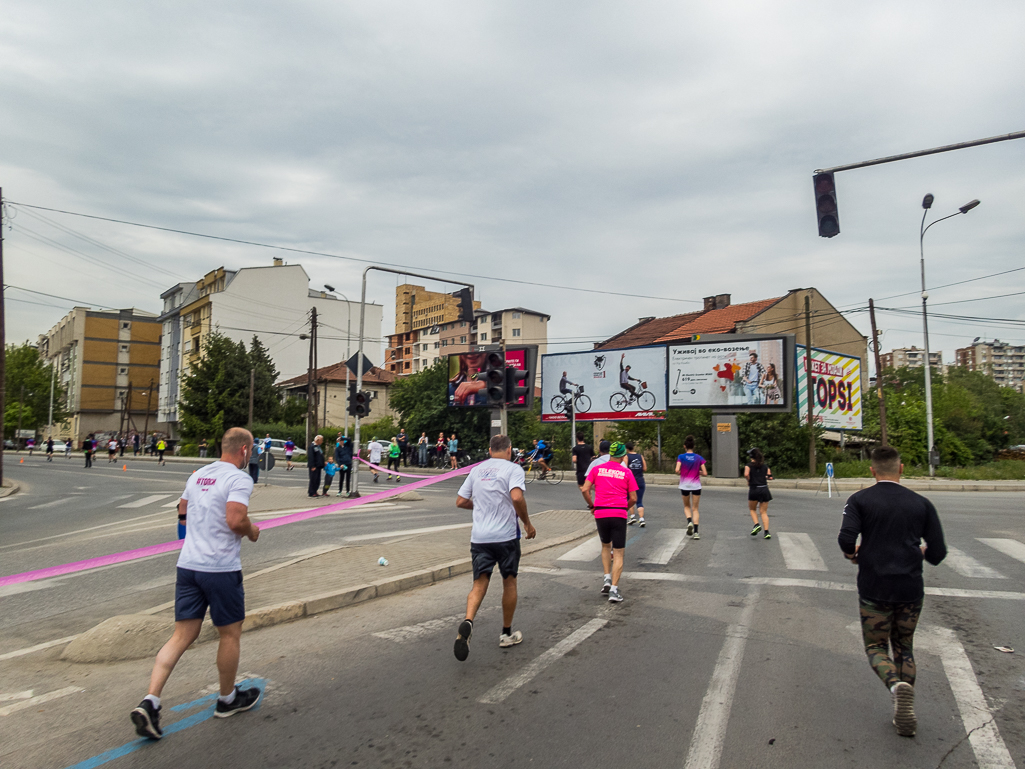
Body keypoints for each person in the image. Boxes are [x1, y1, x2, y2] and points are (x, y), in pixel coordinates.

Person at [130, 427, 262, 740]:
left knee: (181, 635)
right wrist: (252, 530)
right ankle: (227, 699)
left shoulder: (199, 474)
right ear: (243, 450)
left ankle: (150, 701)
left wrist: (192, 537)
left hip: (188, 565)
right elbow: (234, 519)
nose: (251, 455)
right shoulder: (239, 478)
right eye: (251, 450)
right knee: (229, 633)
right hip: (220, 568)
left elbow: (182, 509)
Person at [838, 446, 947, 738]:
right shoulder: (921, 503)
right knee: (904, 647)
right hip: (910, 588)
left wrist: (854, 553)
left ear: (872, 471)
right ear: (901, 469)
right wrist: (921, 550)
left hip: (874, 587)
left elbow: (846, 538)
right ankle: (904, 709)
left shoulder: (860, 500)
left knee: (875, 648)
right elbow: (938, 553)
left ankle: (895, 687)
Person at [453, 434, 536, 661]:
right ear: (509, 450)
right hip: (506, 537)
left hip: (480, 538)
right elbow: (517, 498)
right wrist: (527, 524)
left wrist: (480, 506)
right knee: (509, 581)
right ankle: (506, 633)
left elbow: (460, 501)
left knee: (479, 582)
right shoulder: (513, 469)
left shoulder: (476, 470)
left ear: (489, 451)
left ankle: (468, 621)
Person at [581, 441, 637, 603]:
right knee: (618, 552)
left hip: (601, 513)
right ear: (622, 455)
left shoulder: (597, 469)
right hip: (618, 513)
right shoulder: (626, 472)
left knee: (606, 545)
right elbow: (633, 498)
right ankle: (614, 589)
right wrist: (624, 508)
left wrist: (592, 505)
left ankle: (606, 578)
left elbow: (585, 489)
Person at [676, 435, 708, 540]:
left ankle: (689, 521)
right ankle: (696, 532)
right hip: (696, 485)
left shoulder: (681, 457)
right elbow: (705, 473)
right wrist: (697, 472)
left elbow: (677, 470)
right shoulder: (699, 457)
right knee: (695, 509)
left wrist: (682, 472)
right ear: (693, 447)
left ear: (684, 446)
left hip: (684, 485)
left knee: (686, 507)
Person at [745, 448, 773, 539]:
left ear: (751, 457)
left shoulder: (748, 466)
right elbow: (770, 476)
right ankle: (766, 532)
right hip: (764, 489)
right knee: (764, 512)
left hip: (754, 489)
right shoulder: (765, 466)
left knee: (752, 509)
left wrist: (749, 480)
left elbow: (746, 474)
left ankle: (756, 524)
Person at [625, 441, 647, 527]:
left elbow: (625, 468)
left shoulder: (626, 457)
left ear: (627, 449)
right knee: (639, 501)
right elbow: (645, 468)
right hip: (640, 480)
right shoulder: (640, 456)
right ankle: (641, 519)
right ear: (633, 447)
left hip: (631, 481)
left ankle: (632, 517)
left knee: (630, 499)